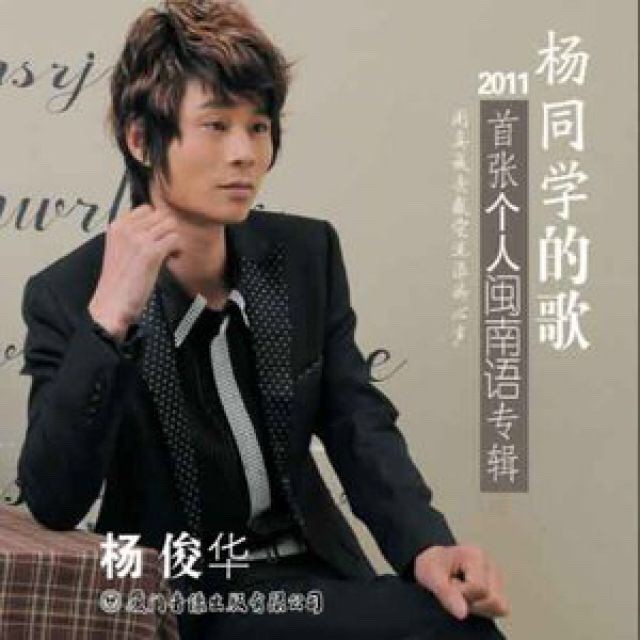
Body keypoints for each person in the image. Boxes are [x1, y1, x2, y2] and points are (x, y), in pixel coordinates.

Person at [17, 1, 509, 638]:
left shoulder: (305, 255)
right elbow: (54, 499)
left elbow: (357, 423)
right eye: (216, 125)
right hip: (186, 599)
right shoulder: (68, 295)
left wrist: (426, 547)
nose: (245, 153)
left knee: (460, 622)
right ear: (141, 139)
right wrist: (108, 321)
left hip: (315, 578)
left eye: (258, 127)